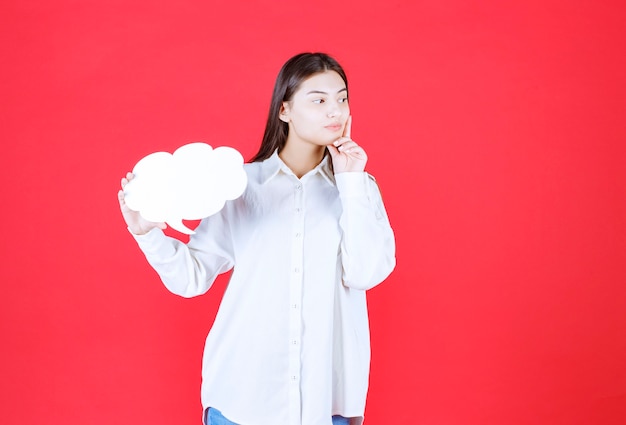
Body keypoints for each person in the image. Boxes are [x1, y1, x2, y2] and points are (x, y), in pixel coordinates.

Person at [117, 52, 396, 425]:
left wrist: (350, 181)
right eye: (319, 100)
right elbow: (192, 277)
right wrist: (146, 231)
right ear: (284, 110)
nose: (336, 111)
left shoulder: (357, 190)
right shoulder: (241, 186)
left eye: (342, 98)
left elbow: (367, 272)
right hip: (241, 399)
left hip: (324, 403)